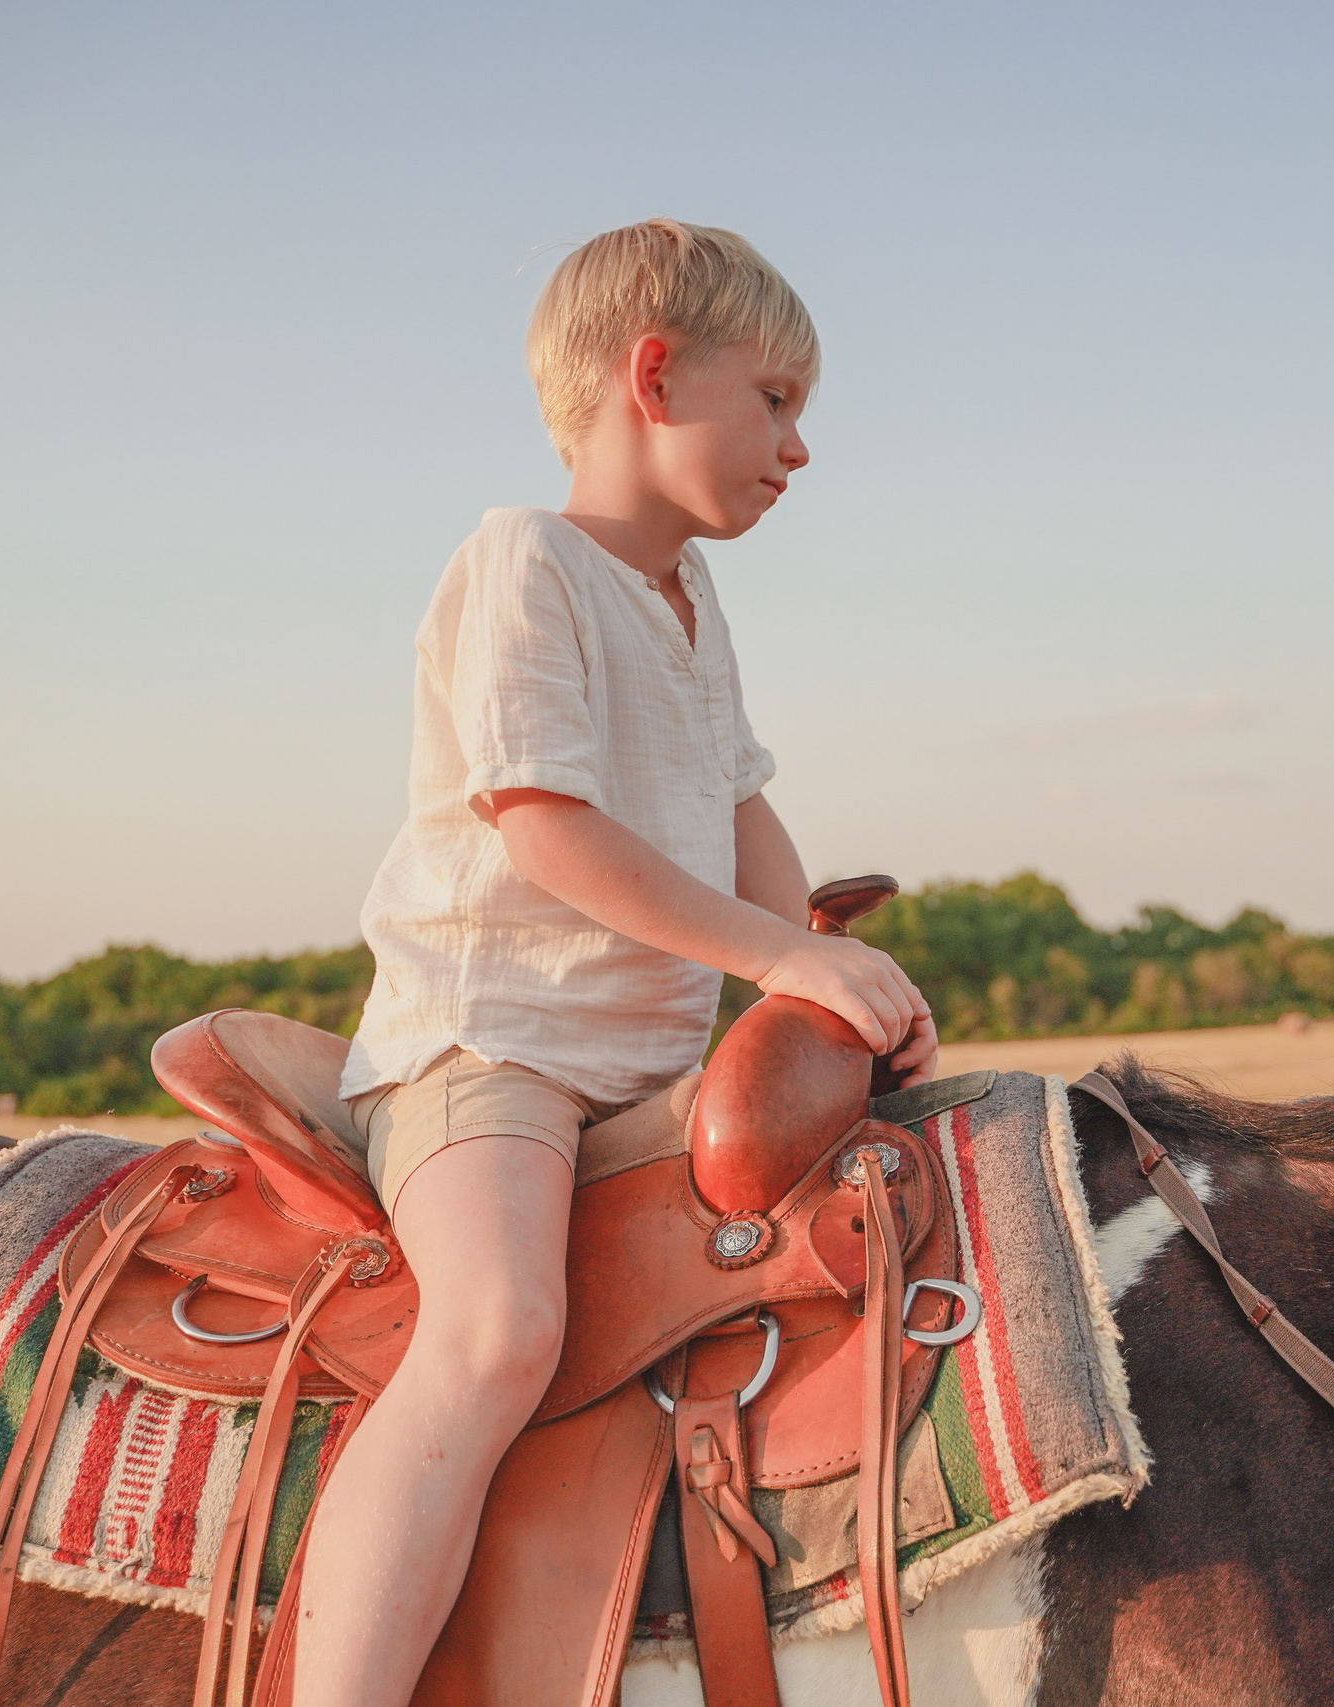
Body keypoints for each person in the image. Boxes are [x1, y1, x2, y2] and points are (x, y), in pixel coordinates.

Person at [290, 218, 939, 1706]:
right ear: (654, 374)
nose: (799, 447)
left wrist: (834, 974)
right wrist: (779, 957)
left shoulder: (695, 603)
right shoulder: (523, 560)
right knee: (497, 1329)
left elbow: (741, 805)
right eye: (776, 401)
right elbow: (547, 832)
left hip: (647, 1067)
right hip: (491, 1047)